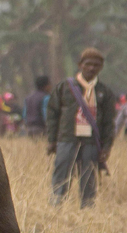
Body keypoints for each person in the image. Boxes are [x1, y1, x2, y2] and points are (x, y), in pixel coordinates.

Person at [46, 47, 116, 208]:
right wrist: (51, 140)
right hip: (66, 138)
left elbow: (108, 123)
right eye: (88, 64)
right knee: (62, 173)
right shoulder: (64, 87)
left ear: (101, 67)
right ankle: (56, 206)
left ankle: (87, 209)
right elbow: (52, 114)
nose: (92, 68)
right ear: (80, 65)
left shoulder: (104, 92)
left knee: (89, 176)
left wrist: (106, 146)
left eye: (96, 65)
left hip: (92, 141)